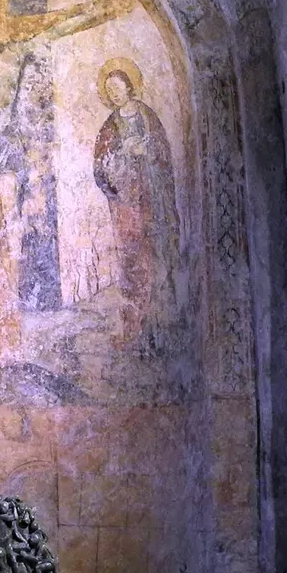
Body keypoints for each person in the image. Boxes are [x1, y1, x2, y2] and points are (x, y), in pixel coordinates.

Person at [93, 58, 181, 353]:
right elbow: (99, 167)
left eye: (117, 88)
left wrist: (146, 151)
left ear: (130, 86)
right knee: (132, 260)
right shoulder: (109, 126)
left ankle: (162, 323)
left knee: (157, 255)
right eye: (109, 90)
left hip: (153, 198)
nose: (114, 94)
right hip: (127, 205)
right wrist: (122, 153)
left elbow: (163, 152)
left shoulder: (146, 116)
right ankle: (133, 326)